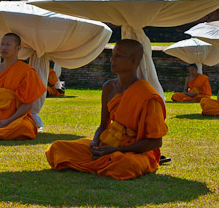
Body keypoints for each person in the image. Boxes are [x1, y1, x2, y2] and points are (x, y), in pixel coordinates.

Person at [46, 39, 168, 180]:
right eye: (112, 55)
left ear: (133, 61)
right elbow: (104, 125)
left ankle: (102, 162)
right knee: (56, 148)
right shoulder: (109, 87)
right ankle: (102, 162)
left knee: (126, 165)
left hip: (133, 153)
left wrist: (117, 150)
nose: (112, 60)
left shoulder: (147, 95)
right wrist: (94, 143)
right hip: (107, 146)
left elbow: (155, 142)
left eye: (118, 56)